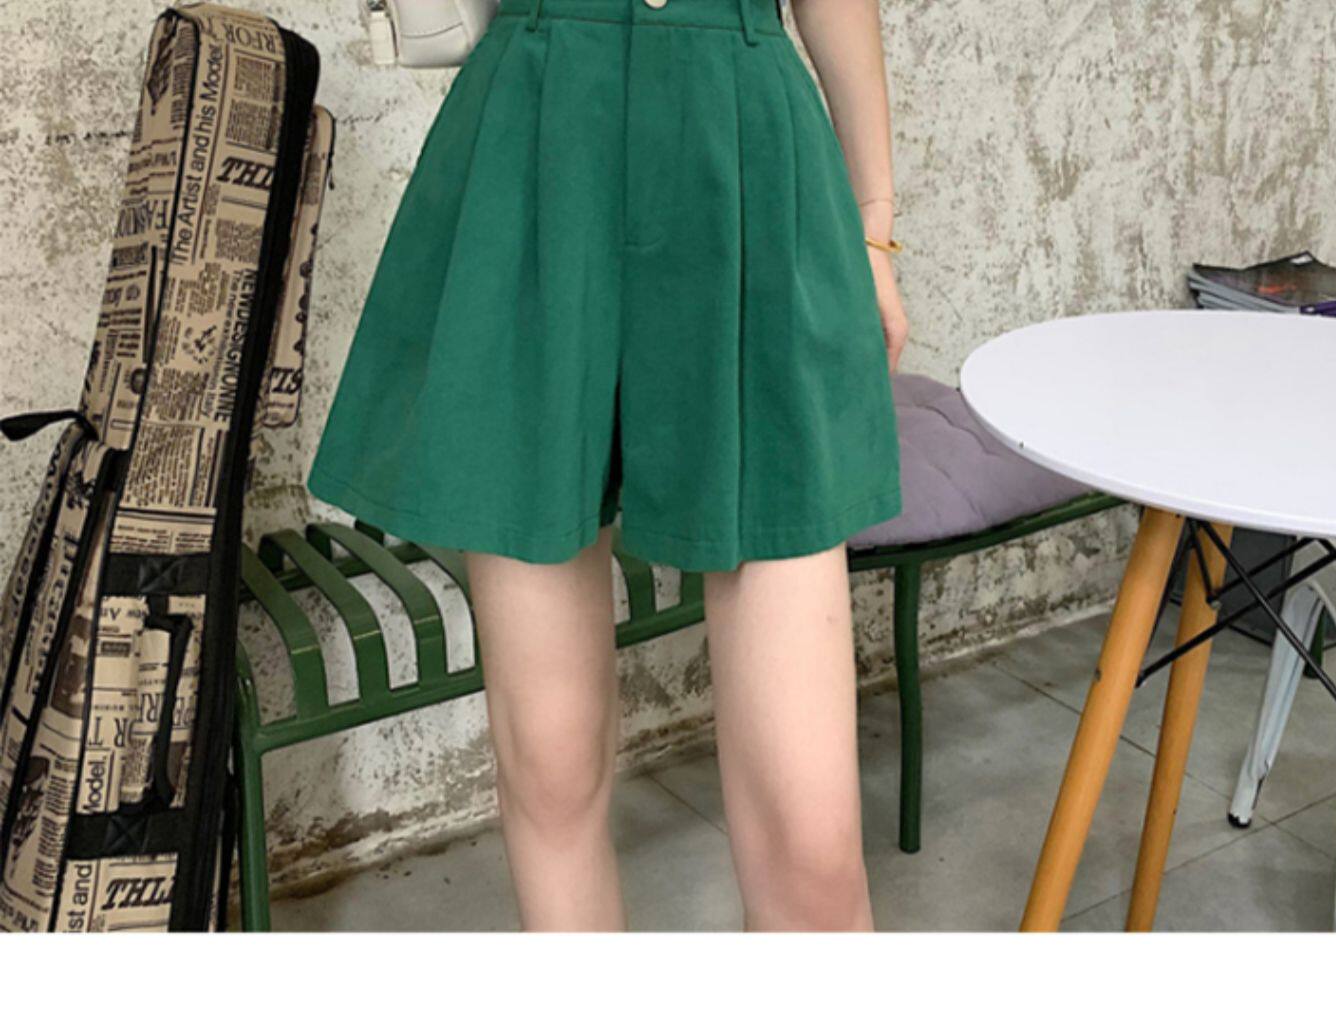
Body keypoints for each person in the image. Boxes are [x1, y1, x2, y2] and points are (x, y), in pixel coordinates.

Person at [307, 0, 907, 931]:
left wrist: (873, 225)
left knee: (813, 847)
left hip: (745, 149)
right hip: (535, 147)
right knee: (550, 765)